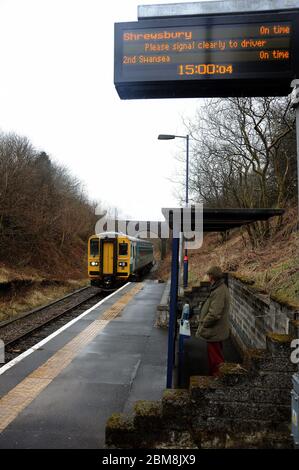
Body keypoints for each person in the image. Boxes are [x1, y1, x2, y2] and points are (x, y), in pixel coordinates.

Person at [196, 266, 230, 376]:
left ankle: (217, 380)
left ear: (212, 277)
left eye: (209, 275)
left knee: (215, 358)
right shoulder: (219, 288)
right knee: (216, 354)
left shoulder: (219, 291)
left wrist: (204, 323)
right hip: (216, 330)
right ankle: (217, 377)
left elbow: (215, 314)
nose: (208, 278)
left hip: (214, 330)